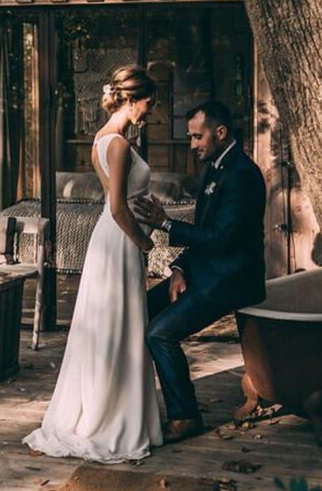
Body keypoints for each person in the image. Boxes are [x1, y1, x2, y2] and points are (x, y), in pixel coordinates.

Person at [23, 65, 164, 462]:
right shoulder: (116, 143)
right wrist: (143, 241)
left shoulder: (102, 140)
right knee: (118, 325)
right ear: (132, 99)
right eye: (147, 104)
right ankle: (109, 416)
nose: (148, 113)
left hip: (110, 238)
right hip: (119, 239)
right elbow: (117, 206)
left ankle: (113, 408)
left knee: (115, 325)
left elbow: (119, 201)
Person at [133, 100, 266, 443]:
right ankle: (132, 405)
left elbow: (220, 240)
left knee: (159, 333)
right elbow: (204, 229)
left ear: (220, 133)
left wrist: (164, 223)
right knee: (137, 312)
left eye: (197, 137)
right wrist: (178, 268)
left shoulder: (243, 175)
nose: (192, 145)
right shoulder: (216, 166)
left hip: (229, 279)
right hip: (202, 270)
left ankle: (185, 416)